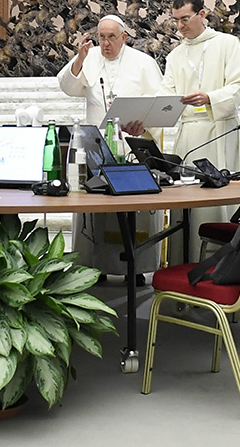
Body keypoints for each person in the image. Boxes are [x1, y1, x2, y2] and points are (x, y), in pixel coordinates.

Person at [57, 15, 164, 277]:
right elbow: (67, 87)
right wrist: (80, 59)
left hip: (129, 147)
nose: (105, 43)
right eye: (101, 37)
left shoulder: (144, 63)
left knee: (132, 210)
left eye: (111, 37)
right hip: (96, 148)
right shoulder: (89, 57)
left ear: (124, 37)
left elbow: (157, 103)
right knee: (97, 208)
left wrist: (144, 126)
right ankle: (95, 267)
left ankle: (134, 268)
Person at [159, 0, 240, 263]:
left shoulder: (226, 43)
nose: (180, 26)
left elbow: (239, 85)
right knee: (187, 205)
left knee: (217, 206)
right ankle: (184, 266)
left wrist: (210, 97)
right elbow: (166, 94)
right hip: (188, 135)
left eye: (185, 19)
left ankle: (221, 267)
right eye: (175, 21)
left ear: (202, 14)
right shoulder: (175, 55)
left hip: (218, 129)